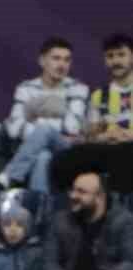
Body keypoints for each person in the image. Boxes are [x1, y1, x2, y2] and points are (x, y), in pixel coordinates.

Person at [27, 171, 133, 270]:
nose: (73, 195)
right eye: (73, 190)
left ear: (99, 197)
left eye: (81, 192)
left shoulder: (123, 221)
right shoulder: (59, 220)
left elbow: (130, 262)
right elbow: (48, 261)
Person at [0, 36, 88, 194]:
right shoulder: (25, 88)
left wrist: (35, 113)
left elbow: (73, 128)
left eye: (67, 60)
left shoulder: (78, 88)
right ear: (42, 61)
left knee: (44, 130)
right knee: (42, 156)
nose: (62, 65)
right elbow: (14, 128)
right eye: (56, 58)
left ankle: (9, 175)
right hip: (37, 148)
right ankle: (40, 205)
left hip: (66, 149)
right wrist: (57, 111)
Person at [52, 32, 133, 195]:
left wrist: (128, 135)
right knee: (65, 158)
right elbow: (91, 136)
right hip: (109, 150)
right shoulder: (98, 96)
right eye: (110, 56)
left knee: (125, 155)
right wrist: (105, 136)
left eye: (121, 55)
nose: (116, 61)